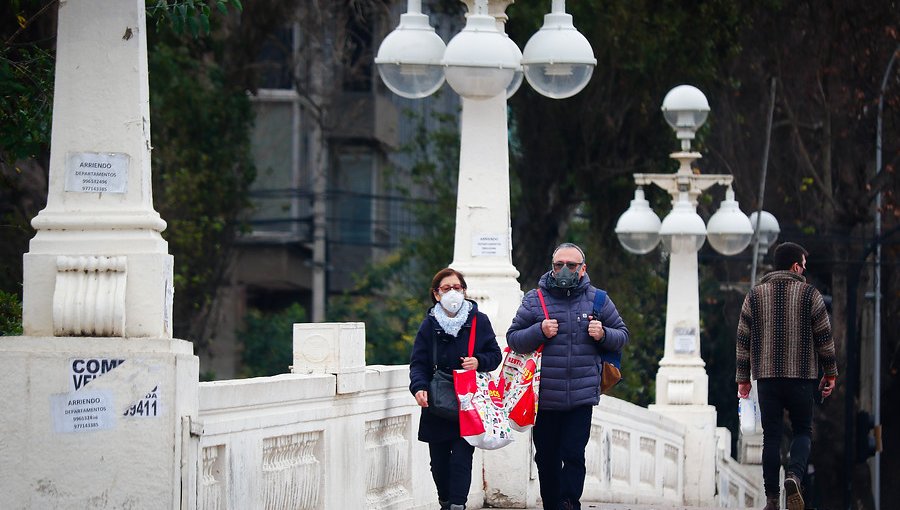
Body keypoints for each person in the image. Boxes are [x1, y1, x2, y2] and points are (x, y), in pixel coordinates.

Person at [507, 243, 629, 510]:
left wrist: (604, 334)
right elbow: (513, 339)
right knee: (547, 457)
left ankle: (569, 503)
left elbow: (622, 335)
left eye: (571, 266)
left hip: (581, 396)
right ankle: (553, 503)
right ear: (552, 267)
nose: (564, 270)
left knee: (573, 454)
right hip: (544, 398)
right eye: (558, 264)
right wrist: (539, 330)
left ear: (583, 269)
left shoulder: (598, 300)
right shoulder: (534, 299)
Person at [735, 242, 837, 510]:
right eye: (803, 265)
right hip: (801, 377)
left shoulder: (754, 296)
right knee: (803, 431)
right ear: (795, 266)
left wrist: (743, 378)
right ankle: (794, 475)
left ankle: (771, 499)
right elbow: (824, 338)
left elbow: (743, 340)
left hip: (767, 378)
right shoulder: (809, 295)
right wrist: (830, 373)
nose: (805, 270)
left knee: (772, 436)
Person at [409, 267, 502, 510]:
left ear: (465, 291)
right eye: (446, 288)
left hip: (468, 402)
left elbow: (495, 355)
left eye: (457, 288)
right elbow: (418, 362)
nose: (453, 292)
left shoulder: (479, 321)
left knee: (461, 459)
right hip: (437, 402)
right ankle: (446, 501)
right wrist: (419, 387)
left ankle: (457, 505)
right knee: (438, 462)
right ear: (436, 294)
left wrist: (479, 361)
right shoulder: (429, 324)